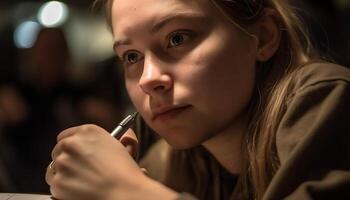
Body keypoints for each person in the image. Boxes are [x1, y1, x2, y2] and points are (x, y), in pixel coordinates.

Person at [45, 0, 350, 199]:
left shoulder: (330, 97)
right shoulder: (167, 163)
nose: (148, 79)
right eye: (132, 56)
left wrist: (126, 190)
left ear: (265, 36)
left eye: (177, 38)